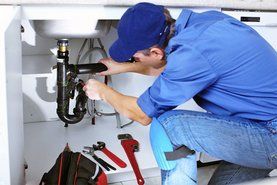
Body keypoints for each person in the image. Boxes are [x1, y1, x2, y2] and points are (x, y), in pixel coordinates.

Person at [83, 2, 277, 185]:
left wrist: (103, 92)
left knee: (169, 127)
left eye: (135, 58)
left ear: (156, 52)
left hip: (270, 136)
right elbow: (170, 66)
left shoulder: (191, 54)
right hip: (256, 126)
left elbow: (142, 114)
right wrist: (121, 67)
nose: (134, 61)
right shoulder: (204, 24)